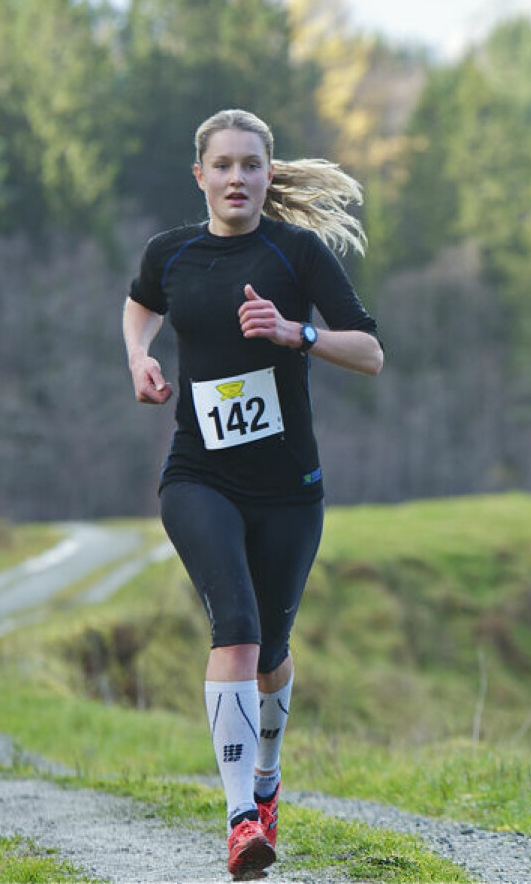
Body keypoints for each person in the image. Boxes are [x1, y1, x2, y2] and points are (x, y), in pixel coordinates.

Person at [123, 108, 383, 878]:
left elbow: (369, 352)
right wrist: (137, 357)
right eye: (223, 164)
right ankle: (242, 821)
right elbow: (140, 305)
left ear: (270, 176)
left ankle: (266, 776)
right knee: (232, 632)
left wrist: (297, 334)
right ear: (199, 174)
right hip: (198, 476)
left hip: (290, 493)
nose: (237, 178)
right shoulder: (169, 255)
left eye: (251, 165)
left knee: (270, 652)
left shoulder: (296, 252)